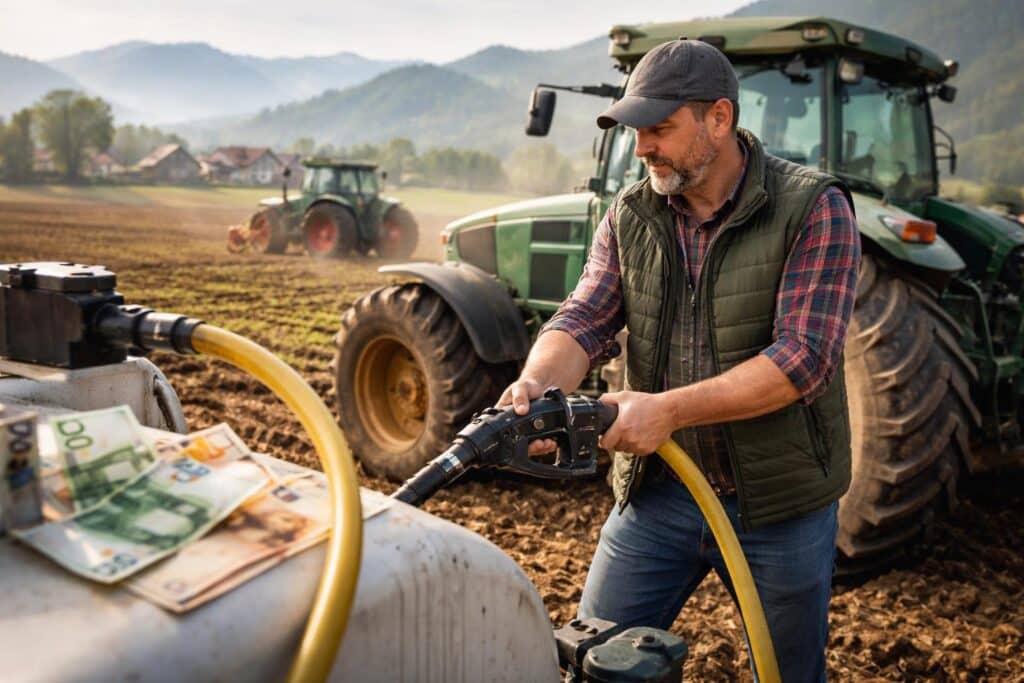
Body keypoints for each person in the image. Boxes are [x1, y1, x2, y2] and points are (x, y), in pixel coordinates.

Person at [497, 39, 860, 682]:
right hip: (659, 494)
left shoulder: (814, 207)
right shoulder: (632, 213)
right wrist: (535, 384)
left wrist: (665, 410)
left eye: (659, 129)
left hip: (779, 507)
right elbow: (584, 316)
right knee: (593, 660)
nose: (642, 149)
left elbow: (804, 358)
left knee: (788, 675)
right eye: (636, 130)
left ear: (718, 119)